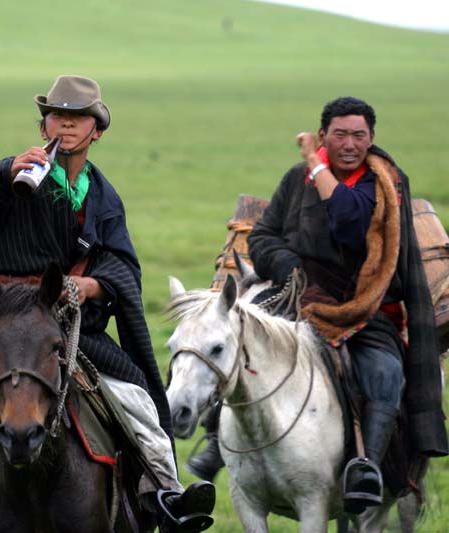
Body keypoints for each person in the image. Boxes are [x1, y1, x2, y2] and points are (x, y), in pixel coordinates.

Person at [0, 75, 216, 533]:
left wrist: (93, 287)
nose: (65, 124)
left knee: (137, 400)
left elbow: (123, 266)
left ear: (96, 130)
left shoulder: (104, 200)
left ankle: (166, 495)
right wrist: (1, 173)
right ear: (43, 126)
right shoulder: (14, 178)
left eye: (76, 117)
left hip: (66, 324)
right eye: (56, 116)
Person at [185, 96, 448, 513]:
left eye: (358, 135)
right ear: (324, 134)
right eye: (339, 134)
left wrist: (316, 162)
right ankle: (218, 442)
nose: (349, 143)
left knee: (386, 369)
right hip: (298, 295)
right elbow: (264, 235)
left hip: (363, 303)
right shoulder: (296, 179)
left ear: (372, 139)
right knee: (240, 343)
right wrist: (290, 268)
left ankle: (366, 466)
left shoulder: (382, 183)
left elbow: (350, 220)